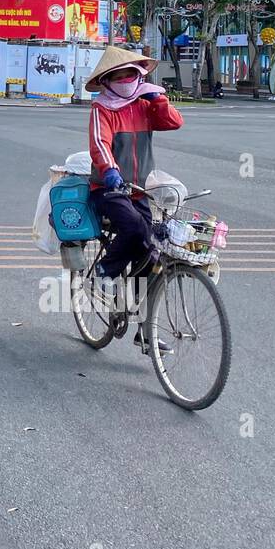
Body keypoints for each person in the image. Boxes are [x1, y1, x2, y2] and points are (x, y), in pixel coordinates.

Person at [86, 44, 184, 350]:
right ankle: (105, 271)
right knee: (135, 229)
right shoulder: (101, 108)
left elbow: (173, 122)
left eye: (131, 73)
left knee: (152, 254)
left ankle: (146, 331)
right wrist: (110, 171)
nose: (126, 78)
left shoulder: (144, 105)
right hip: (108, 189)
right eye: (119, 74)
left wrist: (160, 101)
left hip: (140, 189)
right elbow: (99, 144)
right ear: (107, 80)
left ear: (139, 75)